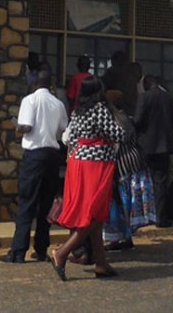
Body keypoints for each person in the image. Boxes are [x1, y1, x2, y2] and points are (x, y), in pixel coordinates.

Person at [49, 77, 126, 281]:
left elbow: (70, 137)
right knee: (95, 213)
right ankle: (62, 253)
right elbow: (118, 134)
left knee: (94, 212)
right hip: (97, 164)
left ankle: (101, 263)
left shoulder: (78, 110)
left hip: (77, 162)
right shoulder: (101, 109)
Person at [0, 68, 69, 264]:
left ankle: (18, 251)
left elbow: (27, 127)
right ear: (51, 85)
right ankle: (40, 249)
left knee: (27, 202)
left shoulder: (29, 100)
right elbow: (64, 131)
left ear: (35, 84)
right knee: (46, 204)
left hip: (34, 156)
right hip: (52, 155)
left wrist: (18, 127)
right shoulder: (58, 103)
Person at [103, 90, 157, 250]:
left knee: (120, 203)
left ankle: (118, 238)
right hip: (134, 163)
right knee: (125, 204)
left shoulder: (116, 120)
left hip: (123, 165)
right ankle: (125, 237)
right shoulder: (125, 117)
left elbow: (116, 143)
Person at [134, 74, 173, 228]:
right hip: (164, 145)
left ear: (147, 85)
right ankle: (161, 216)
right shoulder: (170, 97)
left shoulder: (144, 97)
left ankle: (143, 216)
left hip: (146, 145)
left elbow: (138, 121)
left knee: (142, 179)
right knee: (161, 181)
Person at [102, 50, 142, 117]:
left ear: (113, 61)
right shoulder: (133, 72)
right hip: (132, 109)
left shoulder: (111, 72)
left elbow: (103, 88)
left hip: (116, 110)